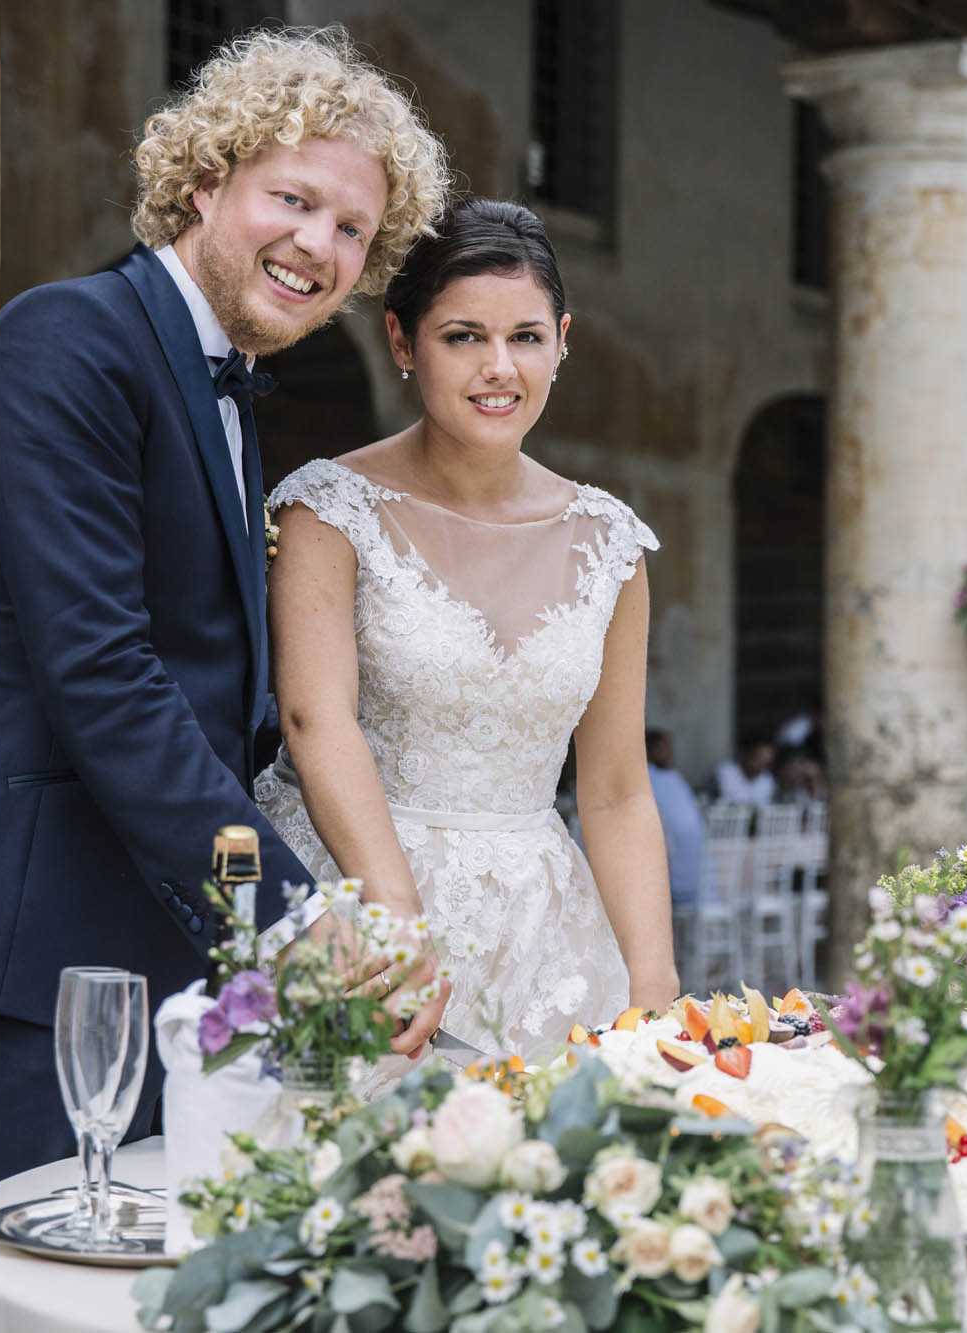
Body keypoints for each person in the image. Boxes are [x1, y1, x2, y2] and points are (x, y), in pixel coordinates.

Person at [0, 28, 453, 1210]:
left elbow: (221, 693)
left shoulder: (219, 382)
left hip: (157, 922)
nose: (317, 245)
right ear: (205, 181)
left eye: (350, 230)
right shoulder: (65, 343)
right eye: (292, 199)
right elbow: (104, 674)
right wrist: (288, 916)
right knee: (35, 1266)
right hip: (28, 923)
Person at [255, 197, 677, 1072]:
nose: (499, 368)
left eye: (526, 337)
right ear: (402, 342)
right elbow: (314, 719)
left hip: (542, 938)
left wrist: (653, 986)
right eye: (463, 337)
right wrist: (393, 920)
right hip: (358, 906)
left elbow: (615, 790)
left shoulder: (611, 544)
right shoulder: (328, 509)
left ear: (561, 341)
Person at [646, 730, 704, 907]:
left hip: (682, 869)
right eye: (663, 748)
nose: (670, 754)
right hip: (666, 867)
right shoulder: (646, 777)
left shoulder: (672, 778)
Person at [712, 732, 778, 806]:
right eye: (759, 759)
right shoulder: (725, 772)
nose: (762, 765)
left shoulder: (767, 779)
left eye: (767, 762)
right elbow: (727, 803)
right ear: (745, 754)